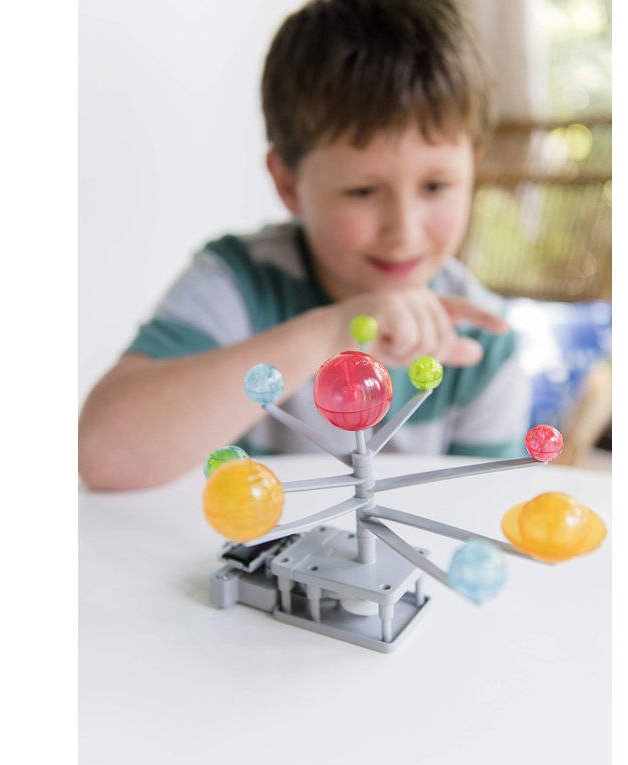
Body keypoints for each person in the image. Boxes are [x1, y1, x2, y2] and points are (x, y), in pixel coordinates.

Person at [78, 0, 532, 491]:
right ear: (289, 185)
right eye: (362, 191)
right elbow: (104, 455)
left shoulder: (482, 341)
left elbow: (480, 504)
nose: (404, 231)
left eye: (436, 186)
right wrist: (333, 331)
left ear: (473, 168)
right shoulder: (238, 281)